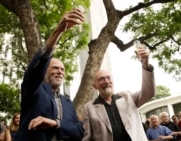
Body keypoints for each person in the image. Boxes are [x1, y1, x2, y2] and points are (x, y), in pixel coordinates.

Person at [13, 9, 84, 141]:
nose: (60, 71)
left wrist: (55, 123)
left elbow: (79, 130)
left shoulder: (68, 102)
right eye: (55, 68)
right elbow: (34, 72)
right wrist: (58, 32)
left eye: (62, 70)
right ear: (45, 71)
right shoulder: (34, 89)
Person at [82, 45, 155, 141]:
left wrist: (146, 65)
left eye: (108, 78)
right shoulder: (89, 108)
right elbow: (88, 137)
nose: (106, 81)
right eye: (101, 79)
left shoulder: (127, 97)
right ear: (95, 86)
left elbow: (149, 93)